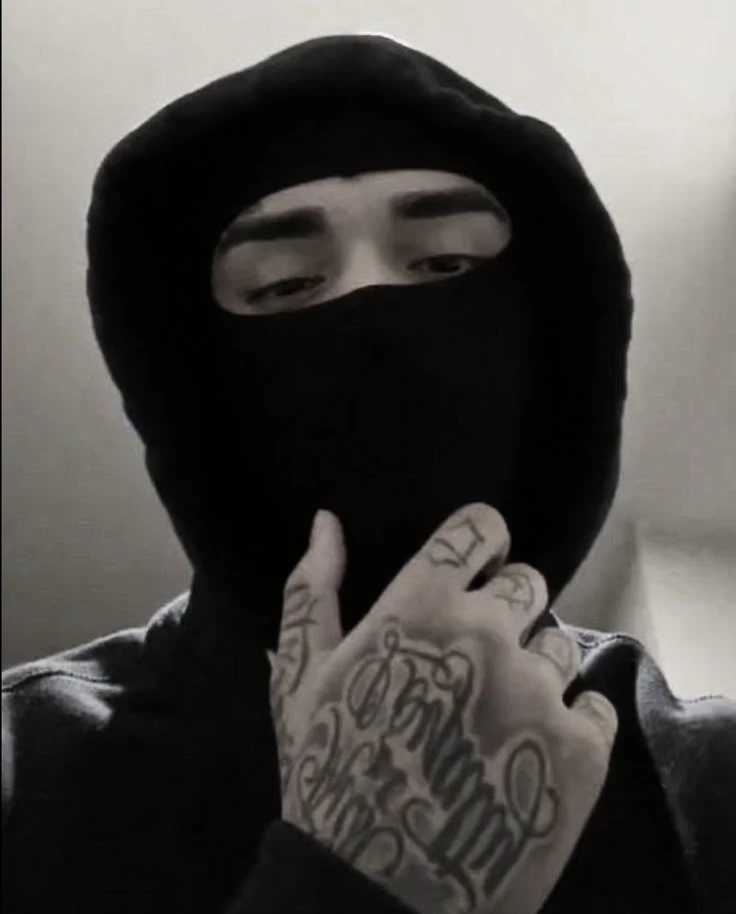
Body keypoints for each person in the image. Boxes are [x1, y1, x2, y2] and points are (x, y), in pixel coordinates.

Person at [2, 32, 734, 914]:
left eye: (446, 264)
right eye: (284, 285)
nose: (370, 321)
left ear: (556, 348)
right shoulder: (18, 763)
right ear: (190, 385)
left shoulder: (714, 785)